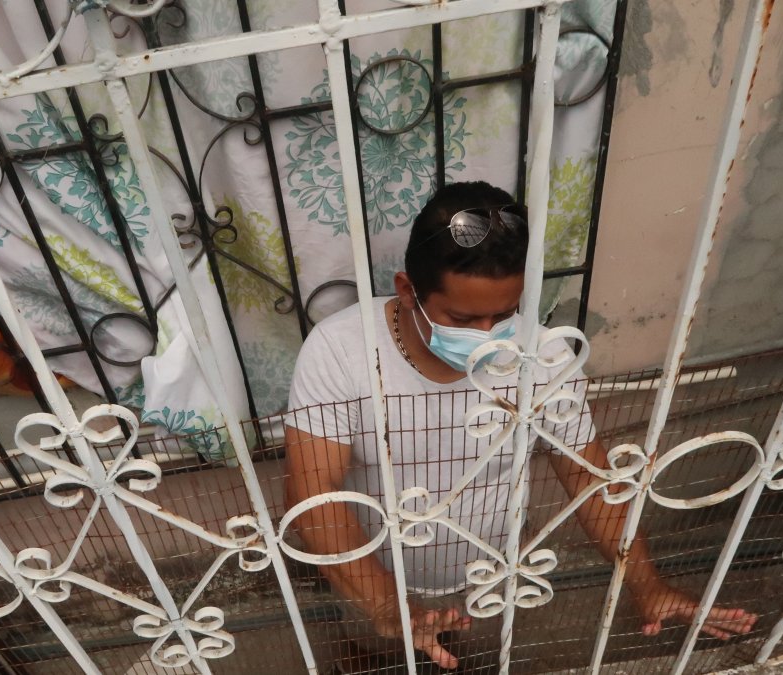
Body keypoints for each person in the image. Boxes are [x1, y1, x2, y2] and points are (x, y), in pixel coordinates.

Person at [283, 181, 757, 672]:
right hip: (371, 580)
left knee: (477, 662)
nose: (489, 337)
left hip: (497, 576)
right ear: (408, 291)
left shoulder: (543, 353)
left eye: (504, 315)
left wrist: (647, 585)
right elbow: (312, 492)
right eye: (463, 318)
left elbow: (589, 479)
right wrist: (386, 605)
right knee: (374, 662)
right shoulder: (342, 350)